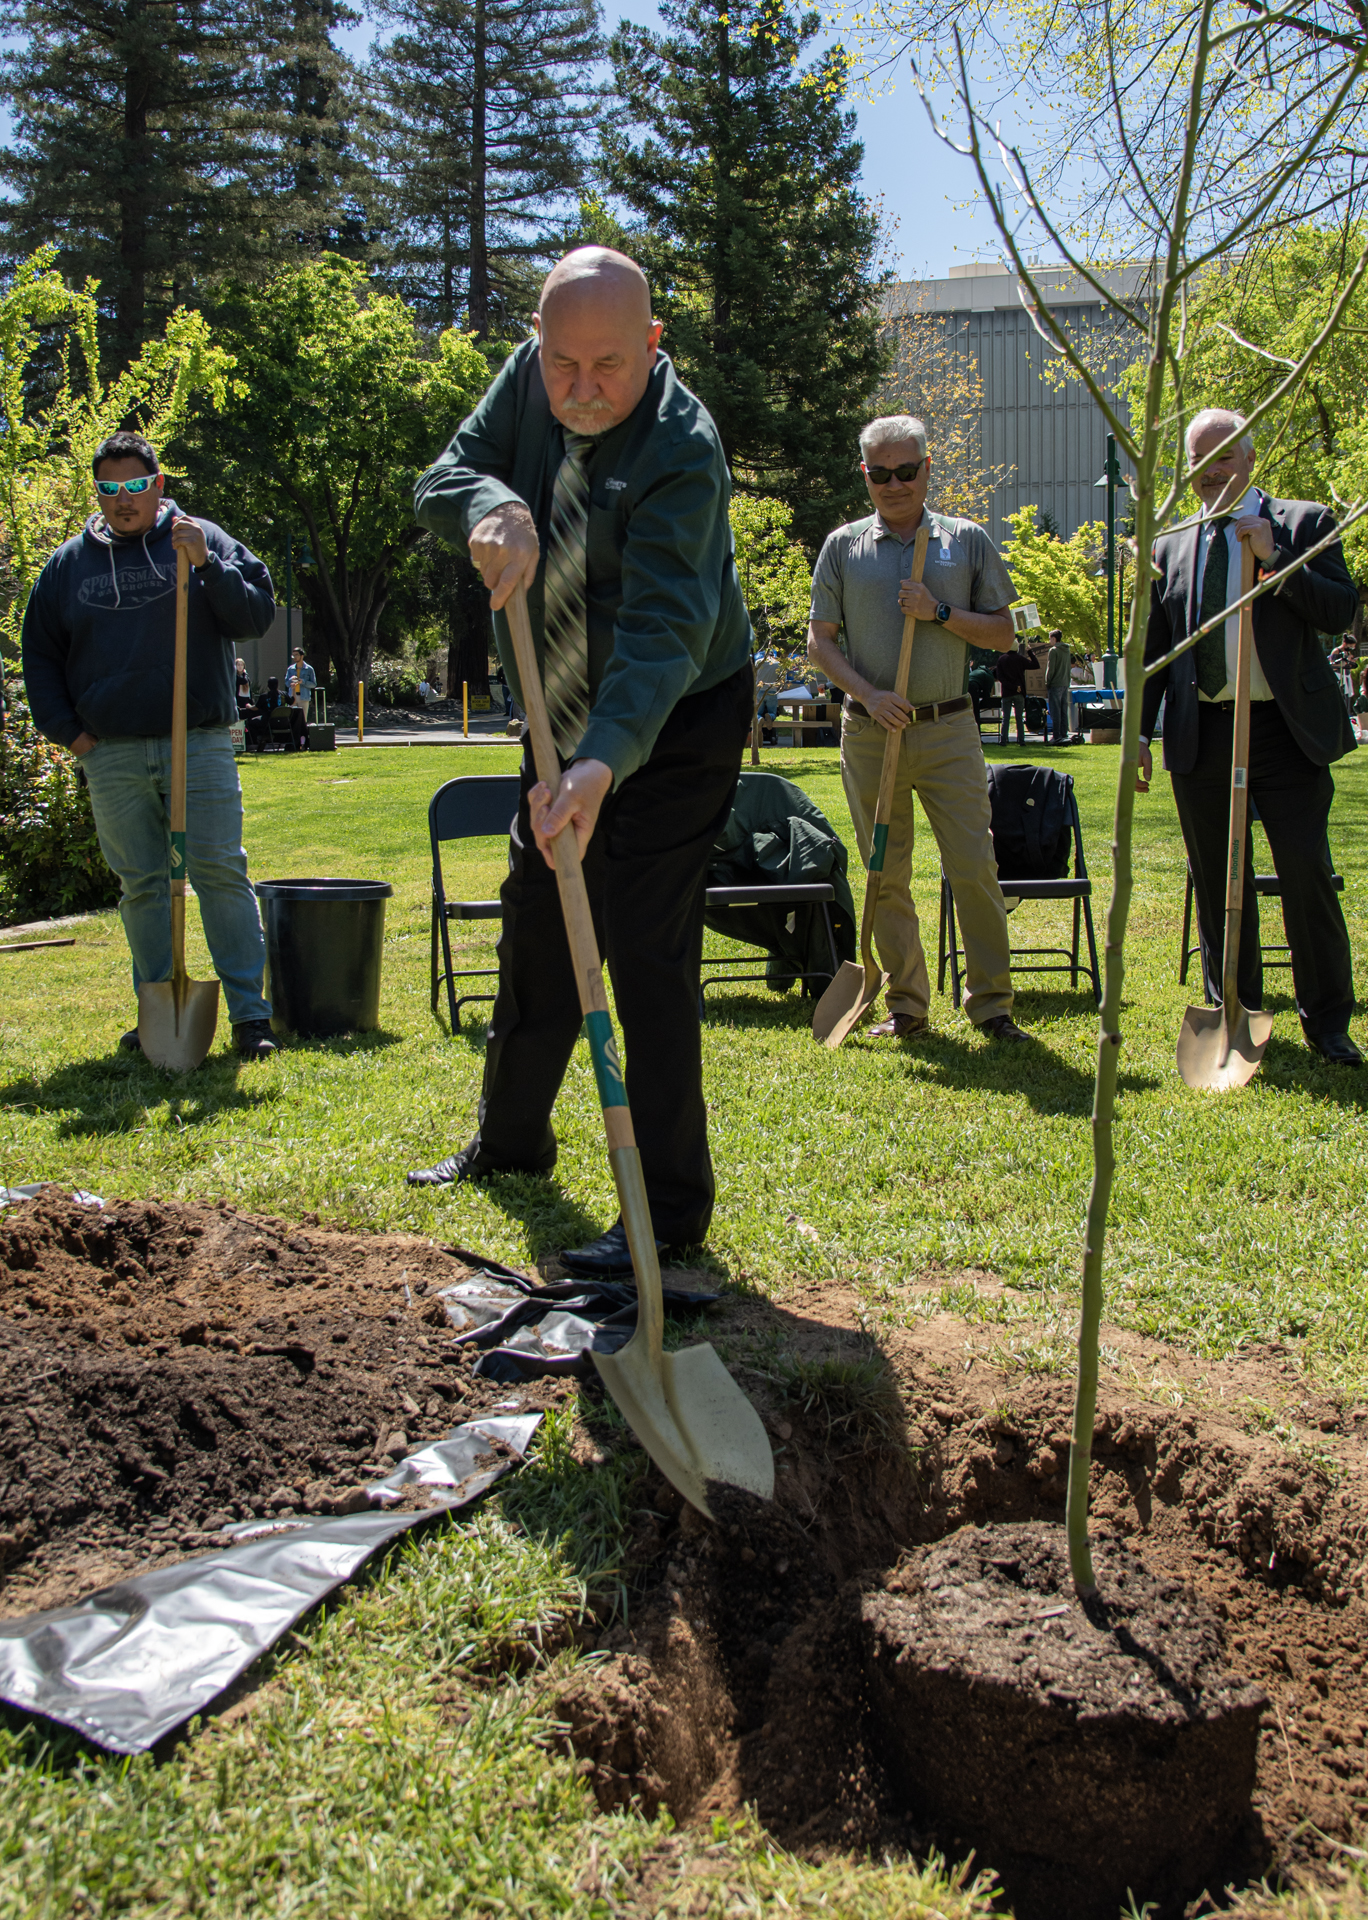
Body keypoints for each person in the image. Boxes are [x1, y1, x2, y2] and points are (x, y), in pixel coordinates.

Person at [405, 246, 755, 1274]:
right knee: (537, 922)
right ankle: (509, 1144)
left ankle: (673, 1218)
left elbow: (663, 633)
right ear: (539, 344)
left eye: (609, 366)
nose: (582, 391)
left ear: (653, 344)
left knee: (642, 950)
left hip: (676, 714)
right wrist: (486, 504)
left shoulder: (684, 449)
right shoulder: (529, 378)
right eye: (563, 366)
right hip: (557, 709)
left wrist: (603, 766)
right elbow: (442, 477)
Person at [20, 430, 279, 1061]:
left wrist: (209, 567)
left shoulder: (202, 537)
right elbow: (40, 656)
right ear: (99, 494)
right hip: (110, 752)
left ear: (157, 486)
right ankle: (156, 1010)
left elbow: (255, 618)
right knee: (141, 885)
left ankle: (251, 1018)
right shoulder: (69, 564)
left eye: (135, 485)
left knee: (220, 872)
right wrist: (72, 735)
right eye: (109, 489)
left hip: (198, 741)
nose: (123, 499)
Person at [1138, 407, 1360, 1066]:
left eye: (1224, 460)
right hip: (1203, 731)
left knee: (1306, 873)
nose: (1211, 476)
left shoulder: (1306, 522)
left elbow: (1339, 609)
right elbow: (1153, 648)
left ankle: (1327, 1021)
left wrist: (1276, 559)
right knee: (1217, 882)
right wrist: (1139, 735)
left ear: (1251, 459)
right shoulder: (1170, 543)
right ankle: (1233, 1007)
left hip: (1286, 733)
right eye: (1200, 465)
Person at [807, 413, 1029, 1043]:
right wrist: (870, 695)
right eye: (881, 473)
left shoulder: (965, 540)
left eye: (907, 471)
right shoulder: (843, 546)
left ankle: (991, 1004)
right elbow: (819, 641)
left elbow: (1004, 632)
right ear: (866, 475)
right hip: (872, 732)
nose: (894, 484)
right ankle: (907, 1004)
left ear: (928, 469)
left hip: (948, 729)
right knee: (884, 870)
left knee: (973, 867)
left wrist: (937, 612)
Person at [995, 636, 1038, 746]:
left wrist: (1011, 686)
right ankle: (1021, 741)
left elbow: (1000, 677)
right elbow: (1035, 665)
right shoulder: (1020, 659)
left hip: (1007, 692)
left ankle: (1003, 740)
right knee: (1019, 717)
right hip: (1019, 691)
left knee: (1006, 718)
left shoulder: (1002, 659)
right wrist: (1030, 652)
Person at [1045, 628, 1073, 744]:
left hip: (1055, 683)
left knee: (1055, 711)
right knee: (1063, 710)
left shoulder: (1053, 651)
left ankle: (1056, 736)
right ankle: (1063, 733)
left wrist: (1047, 681)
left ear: (1054, 638)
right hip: (1065, 682)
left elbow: (1051, 669)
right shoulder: (1066, 650)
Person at [286, 646, 316, 721]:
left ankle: (302, 732)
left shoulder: (309, 669)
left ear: (301, 656)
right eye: (293, 655)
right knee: (292, 718)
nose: (294, 657)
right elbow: (286, 683)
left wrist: (302, 681)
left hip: (303, 697)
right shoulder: (290, 669)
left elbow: (313, 684)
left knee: (303, 719)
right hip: (292, 696)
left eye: (296, 655)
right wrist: (291, 680)